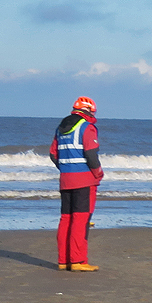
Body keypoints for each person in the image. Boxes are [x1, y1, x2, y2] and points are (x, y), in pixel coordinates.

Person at [50, 96, 103, 271]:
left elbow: (53, 154)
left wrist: (66, 169)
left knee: (66, 218)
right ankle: (79, 261)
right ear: (88, 111)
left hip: (66, 179)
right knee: (81, 220)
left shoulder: (60, 128)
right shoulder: (87, 127)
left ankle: (63, 260)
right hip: (84, 181)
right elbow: (91, 154)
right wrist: (98, 173)